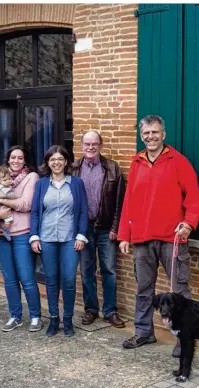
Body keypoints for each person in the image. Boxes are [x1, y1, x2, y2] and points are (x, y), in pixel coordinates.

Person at [118, 115, 199, 357]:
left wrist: (188, 223)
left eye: (155, 132)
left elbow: (194, 198)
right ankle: (144, 332)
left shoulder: (178, 161)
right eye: (146, 133)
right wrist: (125, 235)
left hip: (171, 238)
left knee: (179, 291)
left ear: (163, 134)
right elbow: (129, 201)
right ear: (141, 136)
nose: (150, 137)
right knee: (144, 289)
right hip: (142, 239)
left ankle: (184, 336)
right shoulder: (137, 162)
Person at [30, 145, 89, 337]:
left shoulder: (76, 183)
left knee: (69, 280)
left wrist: (81, 235)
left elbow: (82, 211)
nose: (56, 162)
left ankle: (68, 319)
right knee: (51, 280)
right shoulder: (41, 184)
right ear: (48, 162)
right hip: (46, 238)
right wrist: (34, 236)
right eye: (52, 159)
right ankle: (54, 319)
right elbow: (35, 212)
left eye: (60, 159)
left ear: (66, 162)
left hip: (69, 239)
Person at [70, 131, 126, 328]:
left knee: (109, 270)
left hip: (106, 229)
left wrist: (115, 228)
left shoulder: (112, 168)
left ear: (101, 145)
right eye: (87, 144)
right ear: (82, 145)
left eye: (94, 144)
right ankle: (91, 309)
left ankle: (110, 311)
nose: (90, 147)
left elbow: (120, 202)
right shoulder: (74, 169)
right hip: (83, 230)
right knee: (86, 271)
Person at [0, 146, 42, 333]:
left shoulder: (31, 177)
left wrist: (1, 201)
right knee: (9, 279)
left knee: (27, 278)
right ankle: (15, 316)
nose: (16, 161)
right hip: (1, 234)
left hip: (22, 234)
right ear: (8, 159)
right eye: (13, 157)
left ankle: (35, 316)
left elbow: (25, 204)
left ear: (25, 160)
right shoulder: (0, 178)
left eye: (20, 158)